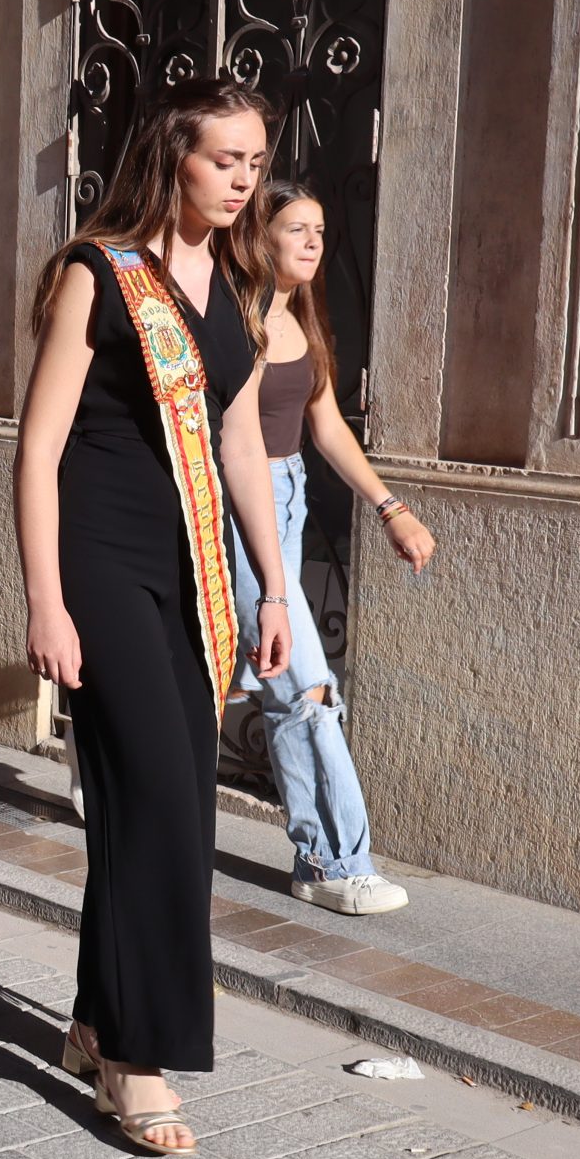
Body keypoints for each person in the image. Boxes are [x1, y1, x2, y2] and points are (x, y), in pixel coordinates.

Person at [14, 77, 293, 1159]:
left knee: (169, 803)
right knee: (161, 802)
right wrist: (45, 599)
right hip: (100, 562)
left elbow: (240, 446)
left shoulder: (238, 285)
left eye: (255, 162)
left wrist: (274, 585)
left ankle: (95, 1020)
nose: (243, 180)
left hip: (192, 573)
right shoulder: (99, 273)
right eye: (224, 159)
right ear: (172, 156)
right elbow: (39, 447)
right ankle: (135, 1058)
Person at [230, 181, 433, 916]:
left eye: (320, 229)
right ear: (259, 238)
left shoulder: (300, 319)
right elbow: (234, 442)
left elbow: (327, 426)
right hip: (238, 506)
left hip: (287, 499)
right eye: (296, 229)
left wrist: (390, 508)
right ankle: (335, 860)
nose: (314, 241)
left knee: (275, 681)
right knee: (305, 687)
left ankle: (320, 855)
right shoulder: (238, 323)